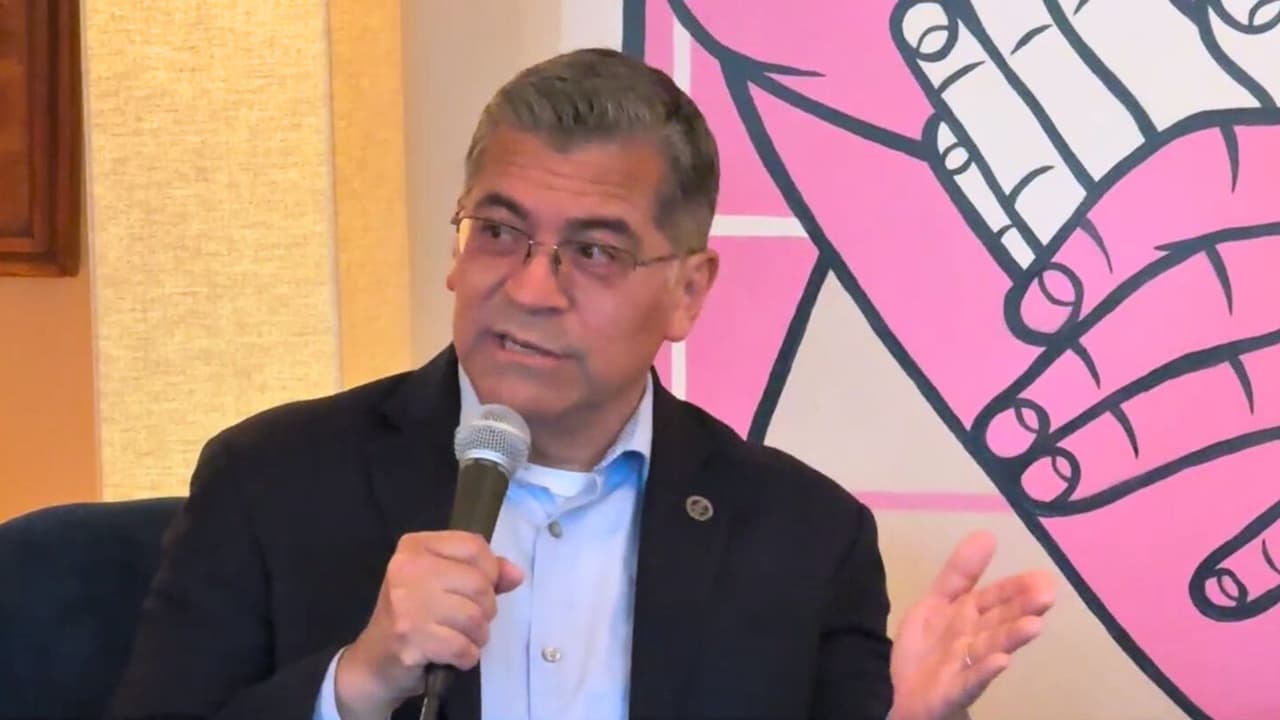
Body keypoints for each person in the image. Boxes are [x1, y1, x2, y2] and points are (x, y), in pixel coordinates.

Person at [108, 47, 1055, 720]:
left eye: (594, 251)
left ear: (687, 292)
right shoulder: (270, 481)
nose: (529, 288)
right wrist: (353, 685)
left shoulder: (804, 536)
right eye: (499, 232)